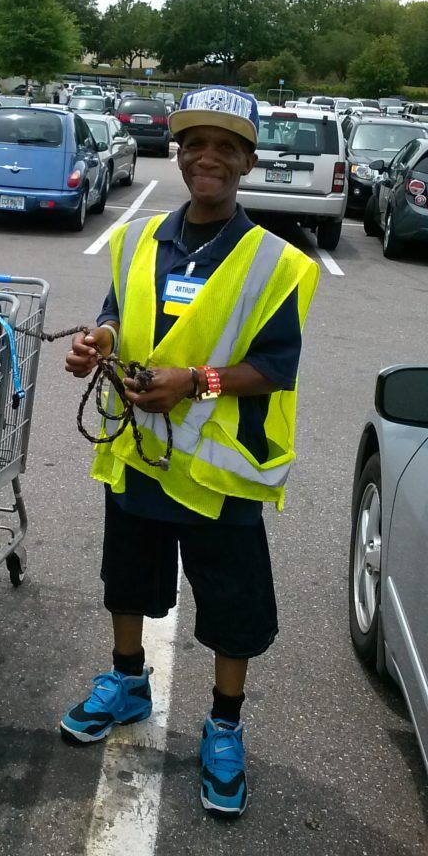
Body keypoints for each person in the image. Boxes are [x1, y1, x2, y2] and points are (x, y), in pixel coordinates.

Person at [59, 86, 319, 818]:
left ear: (246, 162)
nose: (209, 157)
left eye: (226, 147)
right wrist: (98, 342)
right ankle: (128, 681)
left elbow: (274, 367)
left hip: (218, 471)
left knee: (232, 610)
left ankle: (225, 725)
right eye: (195, 144)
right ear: (178, 155)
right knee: (128, 581)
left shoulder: (279, 264)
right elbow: (117, 314)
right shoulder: (137, 240)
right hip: (140, 454)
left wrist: (196, 383)